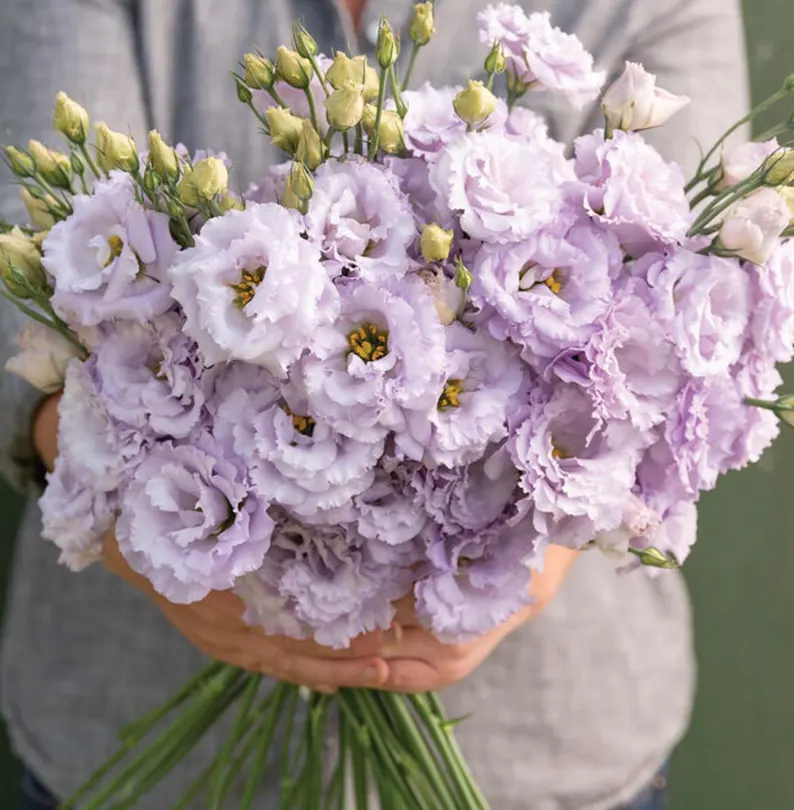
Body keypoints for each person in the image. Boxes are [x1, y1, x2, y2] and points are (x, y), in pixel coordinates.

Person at [0, 0, 749, 808]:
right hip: (137, 721)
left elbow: (694, 302)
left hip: (540, 749)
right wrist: (151, 538)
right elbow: (27, 252)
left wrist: (519, 560)